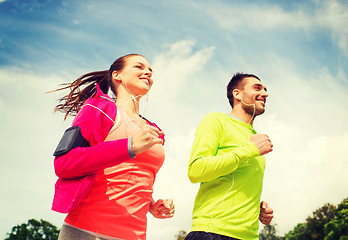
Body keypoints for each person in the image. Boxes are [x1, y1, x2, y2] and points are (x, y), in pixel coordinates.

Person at [51, 54, 175, 240]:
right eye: (139, 67)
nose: (147, 72)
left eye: (150, 70)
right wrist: (129, 146)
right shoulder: (98, 110)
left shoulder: (155, 130)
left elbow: (129, 174)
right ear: (118, 75)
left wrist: (151, 205)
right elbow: (64, 163)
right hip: (87, 231)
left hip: (134, 235)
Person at [185, 73, 274, 240]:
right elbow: (195, 170)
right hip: (212, 232)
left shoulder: (256, 139)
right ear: (237, 94)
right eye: (257, 88)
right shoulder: (216, 120)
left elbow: (236, 182)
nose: (265, 93)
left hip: (250, 236)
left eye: (266, 90)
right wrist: (248, 149)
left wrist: (257, 208)